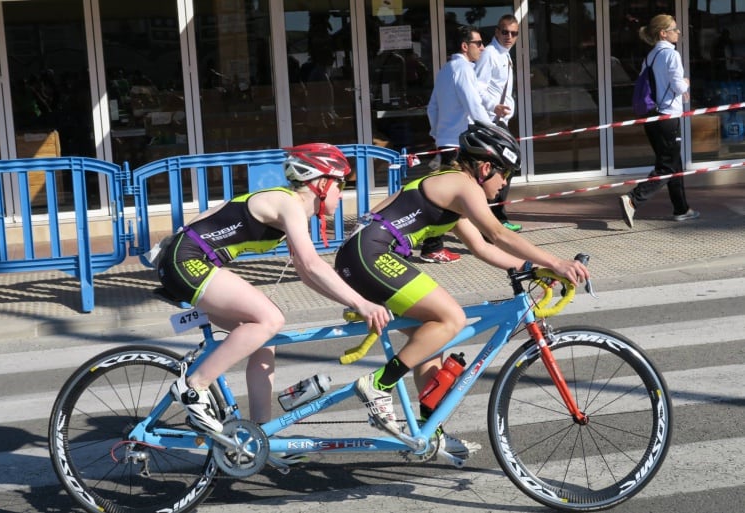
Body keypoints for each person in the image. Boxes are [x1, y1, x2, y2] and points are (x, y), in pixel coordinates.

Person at [335, 122, 589, 452]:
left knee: (430, 345)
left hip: (362, 255)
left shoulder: (454, 192)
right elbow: (499, 234)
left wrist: (532, 268)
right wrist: (557, 262)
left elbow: (483, 248)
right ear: (485, 168)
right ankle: (378, 384)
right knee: (451, 318)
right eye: (505, 175)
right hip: (368, 254)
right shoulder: (462, 185)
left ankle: (427, 435)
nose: (505, 185)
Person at [156, 143, 390, 433]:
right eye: (340, 183)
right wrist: (362, 303)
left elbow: (305, 273)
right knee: (271, 319)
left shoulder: (289, 207)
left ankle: (259, 433)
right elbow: (313, 263)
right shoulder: (289, 203)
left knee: (265, 335)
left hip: (186, 262)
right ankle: (195, 386)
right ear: (320, 183)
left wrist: (353, 301)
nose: (343, 192)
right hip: (187, 261)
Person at [420, 24, 494, 264]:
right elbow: (472, 103)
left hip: (447, 141)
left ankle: (439, 243)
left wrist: (437, 133)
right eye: (478, 43)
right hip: (461, 143)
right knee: (456, 197)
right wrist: (492, 130)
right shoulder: (462, 68)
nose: (483, 48)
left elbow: (432, 107)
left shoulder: (445, 70)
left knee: (452, 195)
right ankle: (433, 246)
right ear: (465, 46)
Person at [619, 14, 699, 229]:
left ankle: (681, 209)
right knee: (667, 165)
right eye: (674, 28)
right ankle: (633, 199)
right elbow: (677, 86)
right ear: (663, 33)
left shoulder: (651, 56)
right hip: (667, 117)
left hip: (652, 116)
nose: (678, 32)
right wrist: (686, 83)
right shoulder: (671, 55)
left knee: (673, 162)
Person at [475, 14, 522, 232]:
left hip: (499, 121)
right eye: (505, 32)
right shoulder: (490, 55)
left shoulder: (506, 55)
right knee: (498, 171)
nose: (509, 37)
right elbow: (478, 88)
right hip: (490, 122)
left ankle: (497, 218)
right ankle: (494, 221)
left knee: (505, 169)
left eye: (514, 33)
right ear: (496, 31)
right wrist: (494, 106)